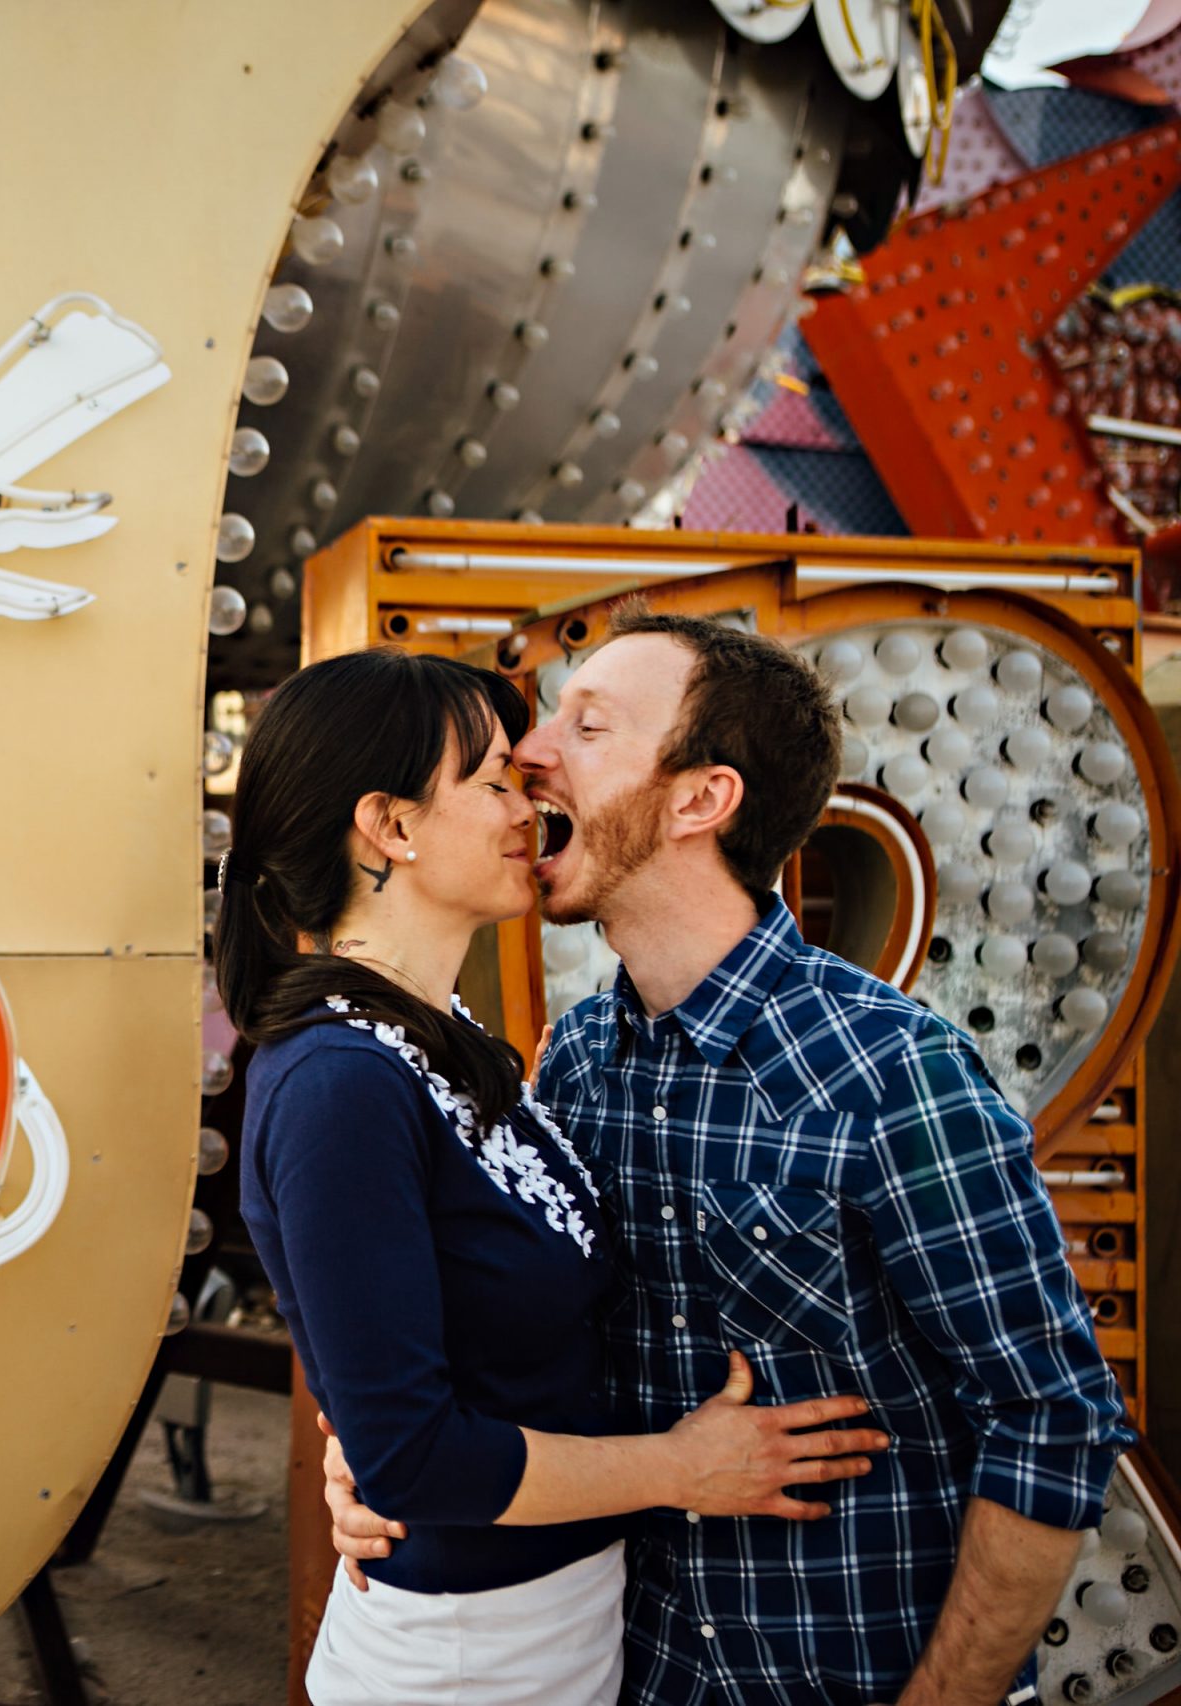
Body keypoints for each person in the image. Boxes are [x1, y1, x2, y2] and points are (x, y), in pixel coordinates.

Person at [319, 605, 1137, 1706]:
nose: (531, 752)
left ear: (701, 798)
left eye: (589, 725)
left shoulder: (893, 1069)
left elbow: (1051, 1415)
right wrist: (371, 1450)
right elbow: (491, 1344)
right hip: (639, 1673)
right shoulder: (573, 1062)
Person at [215, 646, 889, 1706]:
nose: (524, 796)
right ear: (390, 827)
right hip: (465, 1657)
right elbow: (414, 1455)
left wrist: (366, 1436)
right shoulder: (337, 1081)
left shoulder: (459, 1045)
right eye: (489, 780)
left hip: (566, 1624)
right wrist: (682, 1466)